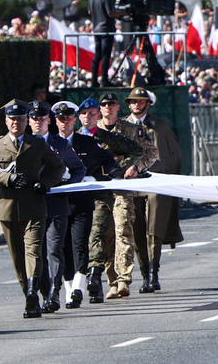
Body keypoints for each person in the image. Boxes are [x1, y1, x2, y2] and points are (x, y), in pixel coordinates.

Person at [0, 99, 65, 318]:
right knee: (18, 258)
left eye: (20, 119)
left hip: (34, 206)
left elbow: (58, 167)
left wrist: (44, 183)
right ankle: (28, 294)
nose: (16, 123)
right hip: (7, 208)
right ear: (6, 120)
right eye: (12, 119)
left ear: (27, 121)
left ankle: (32, 294)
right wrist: (7, 178)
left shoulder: (37, 144)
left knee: (33, 251)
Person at [52, 100, 120, 309]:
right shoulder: (49, 144)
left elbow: (109, 162)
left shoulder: (86, 142)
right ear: (56, 121)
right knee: (61, 247)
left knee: (80, 244)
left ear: (74, 120)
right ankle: (69, 288)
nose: (65, 122)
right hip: (57, 203)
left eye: (69, 118)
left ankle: (79, 286)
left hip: (81, 202)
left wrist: (101, 177)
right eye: (61, 118)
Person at [96, 92, 159, 298]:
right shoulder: (91, 131)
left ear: (117, 108)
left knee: (123, 229)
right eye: (104, 104)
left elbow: (151, 152)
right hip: (101, 191)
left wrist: (136, 167)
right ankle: (112, 281)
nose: (108, 107)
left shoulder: (131, 130)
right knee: (106, 234)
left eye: (111, 104)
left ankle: (124, 280)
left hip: (123, 188)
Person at [27, 100, 86, 314]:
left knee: (54, 250)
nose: (38, 123)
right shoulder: (23, 144)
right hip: (32, 206)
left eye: (42, 119)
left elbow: (79, 168)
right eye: (34, 119)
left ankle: (54, 292)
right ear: (28, 121)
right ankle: (42, 293)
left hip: (56, 205)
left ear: (48, 121)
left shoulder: (59, 144)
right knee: (37, 252)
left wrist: (67, 185)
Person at [124, 87, 184, 294]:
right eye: (133, 101)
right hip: (132, 184)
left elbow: (175, 154)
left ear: (148, 104)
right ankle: (144, 274)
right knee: (137, 229)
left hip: (156, 182)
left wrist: (172, 181)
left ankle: (154, 274)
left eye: (141, 101)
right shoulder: (123, 126)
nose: (137, 105)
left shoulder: (160, 125)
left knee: (154, 229)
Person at [88, 0, 120, 87]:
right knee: (106, 55)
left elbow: (90, 12)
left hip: (96, 29)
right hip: (106, 29)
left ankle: (93, 80)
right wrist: (122, 13)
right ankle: (105, 80)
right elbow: (110, 13)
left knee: (97, 55)